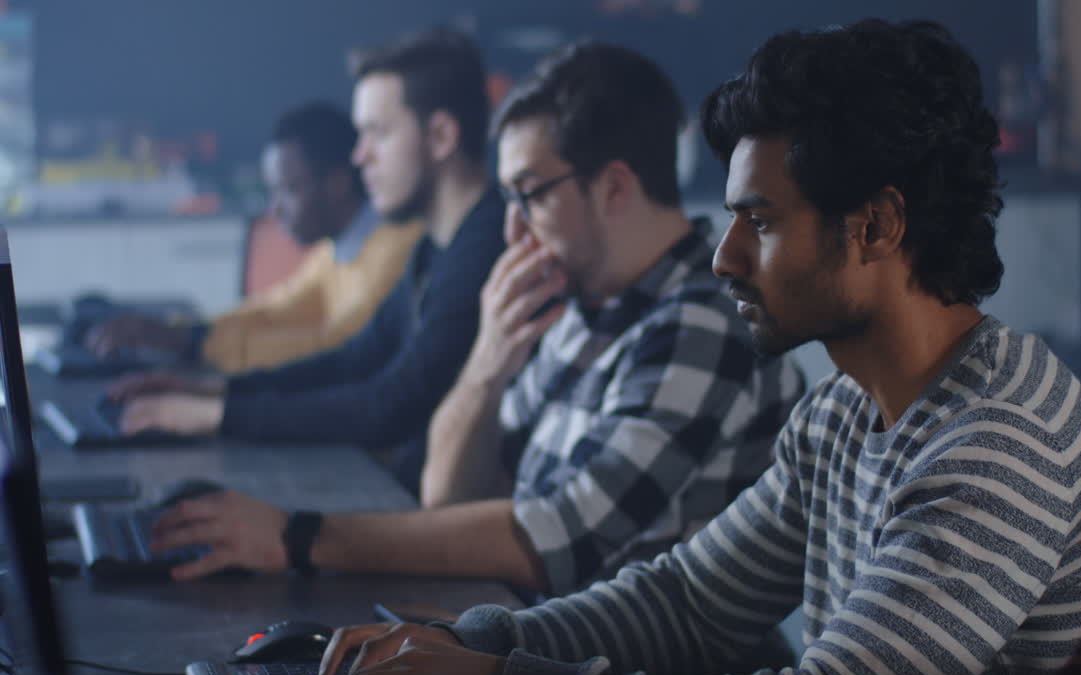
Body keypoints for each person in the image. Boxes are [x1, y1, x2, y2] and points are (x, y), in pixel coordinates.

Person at [311, 20, 1081, 675]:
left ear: (878, 225)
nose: (724, 256)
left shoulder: (995, 442)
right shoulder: (844, 415)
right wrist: (472, 641)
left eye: (761, 222)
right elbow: (689, 602)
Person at [142, 41, 803, 612]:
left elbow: (552, 543)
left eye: (531, 195)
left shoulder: (705, 323)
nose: (512, 230)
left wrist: (297, 536)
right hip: (530, 642)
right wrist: (488, 364)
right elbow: (448, 495)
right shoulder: (579, 309)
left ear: (615, 187)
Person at [109, 28, 505, 481]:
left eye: (377, 133)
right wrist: (212, 391)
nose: (359, 157)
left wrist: (214, 414)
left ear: (440, 136)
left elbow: (388, 407)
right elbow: (353, 361)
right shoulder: (436, 247)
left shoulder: (485, 249)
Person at [88, 101, 424, 375]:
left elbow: (340, 345)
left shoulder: (398, 249)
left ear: (337, 184)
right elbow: (277, 311)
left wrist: (193, 344)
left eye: (288, 189)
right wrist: (183, 330)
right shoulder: (336, 248)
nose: (274, 209)